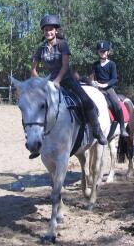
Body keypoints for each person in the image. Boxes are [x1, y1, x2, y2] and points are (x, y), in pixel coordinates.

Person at [31, 14, 107, 159]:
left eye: (51, 29)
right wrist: (41, 81)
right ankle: (36, 141)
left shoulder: (62, 44)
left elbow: (65, 66)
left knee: (87, 101)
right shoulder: (40, 49)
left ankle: (97, 131)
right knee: (35, 107)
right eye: (46, 29)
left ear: (56, 30)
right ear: (43, 31)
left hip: (66, 79)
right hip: (48, 82)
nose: (48, 32)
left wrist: (58, 80)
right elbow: (33, 70)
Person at [90, 41, 128, 137]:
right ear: (98, 52)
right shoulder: (95, 64)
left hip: (108, 89)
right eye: (100, 51)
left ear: (108, 52)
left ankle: (122, 128)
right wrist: (92, 82)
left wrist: (105, 85)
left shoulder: (112, 64)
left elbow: (114, 79)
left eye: (104, 51)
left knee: (116, 103)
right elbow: (91, 77)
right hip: (96, 88)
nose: (102, 53)